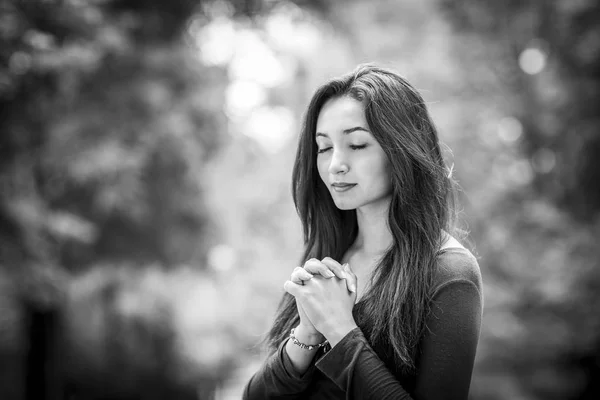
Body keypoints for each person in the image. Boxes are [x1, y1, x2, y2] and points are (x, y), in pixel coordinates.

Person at [243, 64, 483, 400]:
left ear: (402, 149)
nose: (335, 164)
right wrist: (307, 336)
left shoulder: (448, 273)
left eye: (356, 145)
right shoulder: (326, 259)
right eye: (324, 147)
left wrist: (341, 330)